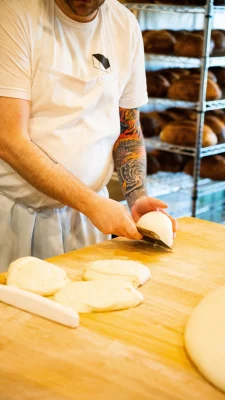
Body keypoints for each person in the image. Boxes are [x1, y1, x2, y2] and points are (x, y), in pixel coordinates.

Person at [0, 0, 177, 271]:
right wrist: (93, 204)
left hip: (90, 220)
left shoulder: (124, 24)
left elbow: (128, 129)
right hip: (17, 218)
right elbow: (9, 140)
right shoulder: (14, 13)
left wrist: (137, 197)